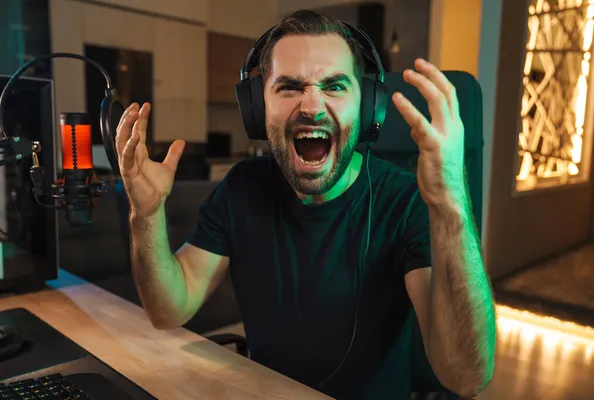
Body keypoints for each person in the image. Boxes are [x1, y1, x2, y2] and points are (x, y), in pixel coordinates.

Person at [115, 9, 496, 400]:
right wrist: (145, 215)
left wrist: (450, 203)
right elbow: (168, 311)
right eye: (289, 87)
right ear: (256, 105)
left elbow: (465, 377)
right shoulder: (241, 189)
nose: (312, 107)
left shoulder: (404, 201)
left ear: (366, 107)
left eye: (334, 86)